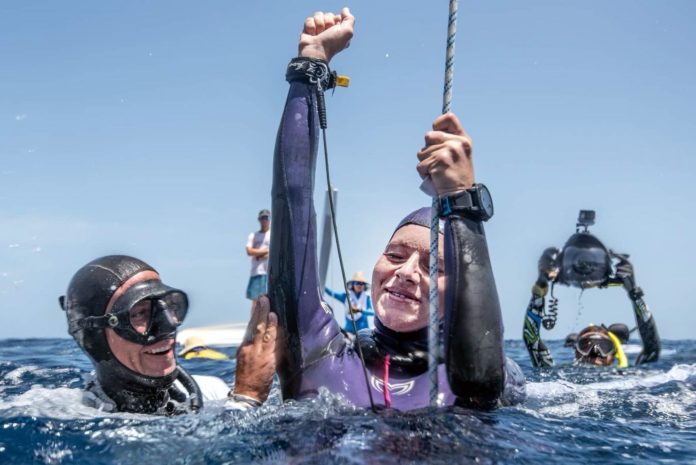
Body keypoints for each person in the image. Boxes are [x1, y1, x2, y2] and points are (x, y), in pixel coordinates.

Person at [267, 9, 525, 410]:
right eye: (395, 255)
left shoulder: (473, 375)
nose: (405, 273)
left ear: (459, 290)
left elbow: (480, 372)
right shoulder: (319, 355)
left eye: (432, 268)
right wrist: (309, 67)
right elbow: (292, 201)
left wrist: (463, 199)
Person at [60, 255, 277, 414]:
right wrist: (246, 399)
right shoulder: (70, 417)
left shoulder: (213, 392)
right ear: (94, 339)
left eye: (170, 306)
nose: (168, 326)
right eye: (139, 313)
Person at [522, 214, 660, 368]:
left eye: (604, 346)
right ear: (576, 352)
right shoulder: (556, 376)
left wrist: (634, 293)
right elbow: (532, 340)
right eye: (585, 345)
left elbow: (651, 350)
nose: (595, 352)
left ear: (614, 354)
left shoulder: (633, 378)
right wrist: (541, 285)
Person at [245, 209, 271, 300]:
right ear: (259, 219)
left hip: (270, 272)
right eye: (262, 218)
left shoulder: (273, 234)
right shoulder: (253, 235)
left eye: (266, 218)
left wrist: (258, 253)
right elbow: (249, 251)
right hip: (256, 272)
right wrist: (266, 251)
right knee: (255, 300)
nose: (264, 220)